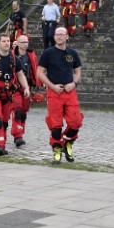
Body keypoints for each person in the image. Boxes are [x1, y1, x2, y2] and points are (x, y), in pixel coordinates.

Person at [37, 26, 83, 163]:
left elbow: (77, 72)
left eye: (62, 34)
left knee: (76, 122)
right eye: (57, 34)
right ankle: (57, 150)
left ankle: (67, 143)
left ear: (67, 36)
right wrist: (52, 86)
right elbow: (39, 72)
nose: (59, 37)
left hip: (70, 92)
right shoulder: (48, 53)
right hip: (54, 92)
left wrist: (73, 84)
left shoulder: (73, 53)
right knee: (55, 125)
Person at [11, 34, 42, 147]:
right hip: (14, 87)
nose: (25, 44)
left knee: (24, 111)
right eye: (23, 42)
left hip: (27, 87)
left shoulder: (31, 55)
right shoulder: (12, 56)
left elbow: (35, 68)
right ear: (17, 43)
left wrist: (38, 83)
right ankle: (17, 135)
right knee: (17, 109)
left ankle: (21, 133)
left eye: (26, 42)